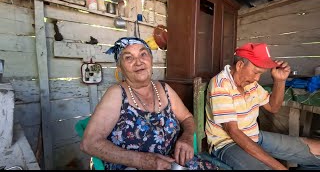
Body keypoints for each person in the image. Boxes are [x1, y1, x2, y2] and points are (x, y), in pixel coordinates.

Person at [80, 37, 217, 170]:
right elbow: (89, 143)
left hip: (174, 162)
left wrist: (187, 137)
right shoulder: (116, 94)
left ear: (151, 60)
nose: (138, 62)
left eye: (143, 54)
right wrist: (144, 161)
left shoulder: (164, 89)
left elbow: (187, 118)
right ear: (120, 68)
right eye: (129, 58)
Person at [205, 42, 320, 170]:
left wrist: (280, 80)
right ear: (240, 65)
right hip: (226, 144)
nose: (258, 78)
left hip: (254, 136)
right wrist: (280, 167)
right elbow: (233, 132)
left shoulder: (250, 83)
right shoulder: (220, 85)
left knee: (317, 150)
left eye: (261, 73)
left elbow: (273, 107)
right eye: (256, 72)